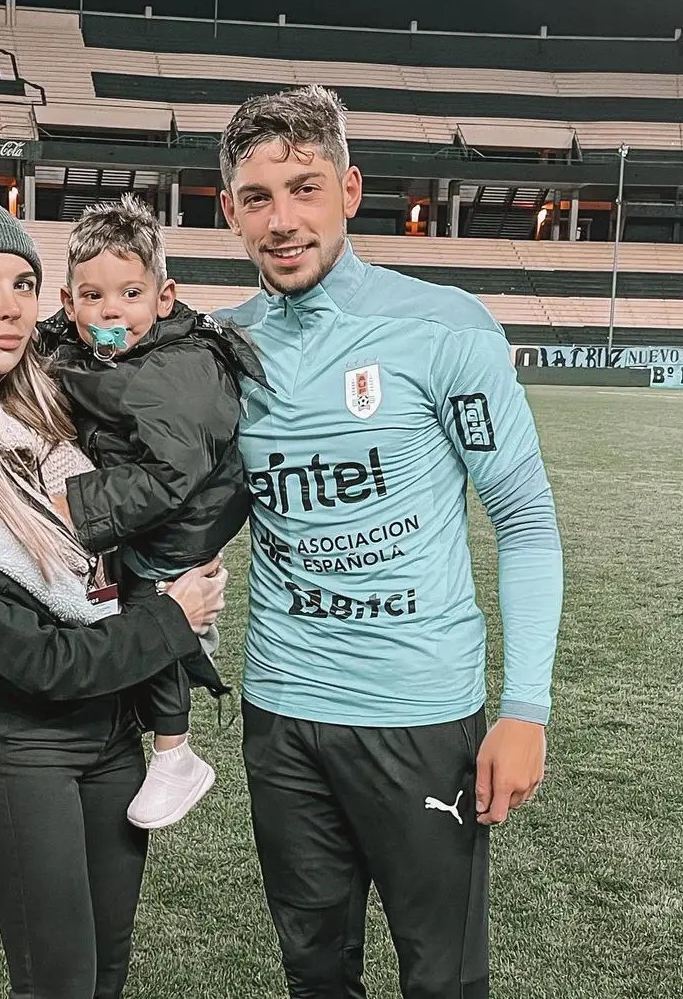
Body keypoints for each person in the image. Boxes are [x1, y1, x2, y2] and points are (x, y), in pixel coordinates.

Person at [214, 86, 564, 999]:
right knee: (314, 974)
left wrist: (526, 708)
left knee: (443, 980)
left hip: (419, 713)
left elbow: (523, 516)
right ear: (230, 212)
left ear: (350, 190)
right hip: (282, 712)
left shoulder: (443, 327)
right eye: (258, 197)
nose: (283, 220)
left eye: (305, 187)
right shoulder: (217, 348)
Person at [0, 188, 227, 999]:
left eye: (24, 282)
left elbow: (160, 358)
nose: (10, 305)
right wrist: (172, 616)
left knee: (107, 975)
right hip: (28, 749)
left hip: (116, 734)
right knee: (58, 983)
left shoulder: (49, 418)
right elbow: (41, 661)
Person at [37, 192, 263, 829]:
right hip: (158, 506)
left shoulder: (177, 369)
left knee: (149, 606)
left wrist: (70, 507)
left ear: (164, 298)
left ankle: (175, 752)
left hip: (187, 513)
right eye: (93, 297)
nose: (111, 311)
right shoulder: (110, 348)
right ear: (68, 301)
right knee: (118, 603)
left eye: (130, 295)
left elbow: (169, 474)